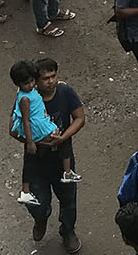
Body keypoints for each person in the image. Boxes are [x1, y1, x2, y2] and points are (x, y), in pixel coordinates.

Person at [18, 58, 85, 253]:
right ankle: (41, 219)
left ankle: (68, 231)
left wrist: (63, 137)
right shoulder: (27, 99)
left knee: (69, 201)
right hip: (36, 161)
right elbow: (14, 131)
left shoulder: (65, 92)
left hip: (62, 158)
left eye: (53, 76)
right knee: (37, 203)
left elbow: (80, 118)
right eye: (45, 78)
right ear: (35, 81)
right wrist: (36, 142)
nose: (50, 81)